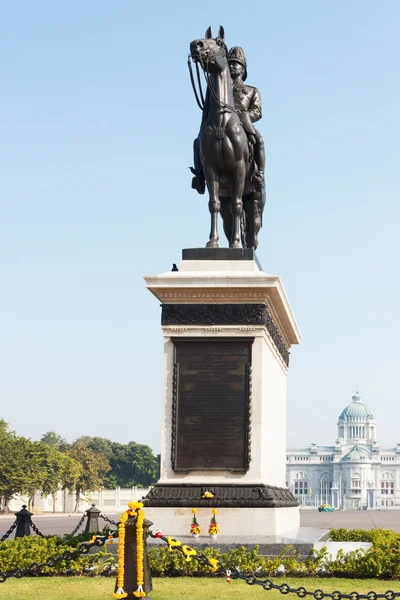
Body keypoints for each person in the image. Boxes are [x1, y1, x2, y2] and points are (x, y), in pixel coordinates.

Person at [191, 45, 266, 194]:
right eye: (230, 63)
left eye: (236, 64)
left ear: (243, 69)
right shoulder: (221, 88)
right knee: (197, 141)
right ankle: (200, 176)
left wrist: (245, 115)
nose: (232, 66)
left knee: (259, 139)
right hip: (220, 123)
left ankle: (259, 174)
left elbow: (257, 111)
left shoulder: (252, 91)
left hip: (242, 123)